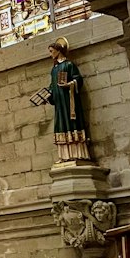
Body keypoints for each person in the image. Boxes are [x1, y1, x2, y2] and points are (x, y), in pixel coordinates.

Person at [41, 37, 91, 165]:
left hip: (69, 101)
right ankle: (64, 155)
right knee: (61, 125)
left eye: (52, 51)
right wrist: (48, 95)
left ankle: (79, 154)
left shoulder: (69, 65)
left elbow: (78, 79)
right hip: (59, 103)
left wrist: (70, 84)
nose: (50, 54)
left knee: (72, 123)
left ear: (58, 51)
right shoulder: (54, 69)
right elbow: (52, 86)